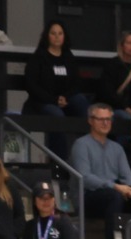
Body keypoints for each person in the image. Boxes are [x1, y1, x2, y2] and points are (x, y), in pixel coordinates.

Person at [71, 105, 131, 233]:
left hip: (114, 195)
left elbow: (127, 175)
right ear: (90, 121)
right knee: (114, 196)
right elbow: (85, 178)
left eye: (108, 119)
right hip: (88, 197)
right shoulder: (81, 145)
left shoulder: (117, 148)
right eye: (100, 119)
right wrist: (115, 187)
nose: (105, 123)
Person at [25, 22, 87, 161]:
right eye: (53, 33)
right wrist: (53, 100)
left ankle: (86, 151)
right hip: (42, 102)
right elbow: (32, 85)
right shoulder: (39, 57)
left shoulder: (68, 57)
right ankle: (60, 160)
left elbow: (77, 83)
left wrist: (66, 97)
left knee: (82, 102)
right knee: (56, 115)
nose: (57, 37)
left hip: (65, 100)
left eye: (60, 33)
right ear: (47, 36)